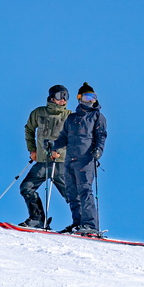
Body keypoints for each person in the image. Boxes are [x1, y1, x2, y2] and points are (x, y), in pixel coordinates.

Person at [51, 82, 107, 236]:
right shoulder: (71, 118)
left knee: (85, 190)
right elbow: (64, 137)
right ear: (79, 98)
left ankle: (90, 225)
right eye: (87, 97)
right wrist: (54, 146)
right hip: (70, 159)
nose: (90, 100)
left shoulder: (97, 117)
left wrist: (98, 151)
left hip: (85, 159)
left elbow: (101, 136)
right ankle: (78, 223)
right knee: (72, 192)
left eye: (93, 97)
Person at [18, 84, 72, 229]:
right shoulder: (38, 113)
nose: (64, 100)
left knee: (71, 194)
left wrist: (61, 151)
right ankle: (37, 219)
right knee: (26, 187)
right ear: (52, 97)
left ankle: (82, 223)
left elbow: (75, 138)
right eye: (61, 96)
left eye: (66, 96)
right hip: (42, 161)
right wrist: (32, 150)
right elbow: (29, 129)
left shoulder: (69, 116)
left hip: (60, 162)